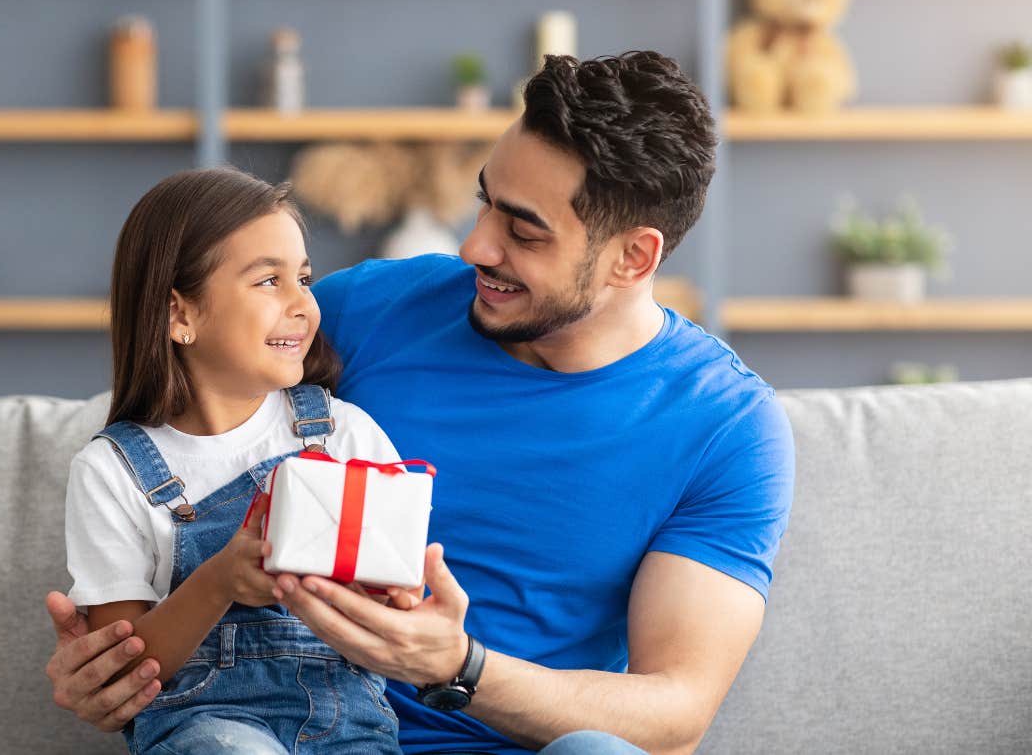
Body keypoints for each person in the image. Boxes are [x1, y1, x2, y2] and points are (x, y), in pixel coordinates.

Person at [45, 51, 795, 755]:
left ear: (634, 256)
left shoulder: (727, 426)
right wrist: (114, 658)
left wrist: (462, 668)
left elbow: (675, 710)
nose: (475, 246)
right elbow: (187, 391)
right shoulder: (375, 308)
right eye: (485, 203)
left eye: (522, 230)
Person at [62, 166, 419, 754]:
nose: (304, 303)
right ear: (181, 315)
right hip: (207, 732)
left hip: (352, 731)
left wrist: (388, 600)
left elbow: (405, 608)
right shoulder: (112, 472)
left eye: (303, 278)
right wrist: (220, 579)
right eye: (268, 281)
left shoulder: (344, 435)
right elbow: (124, 672)